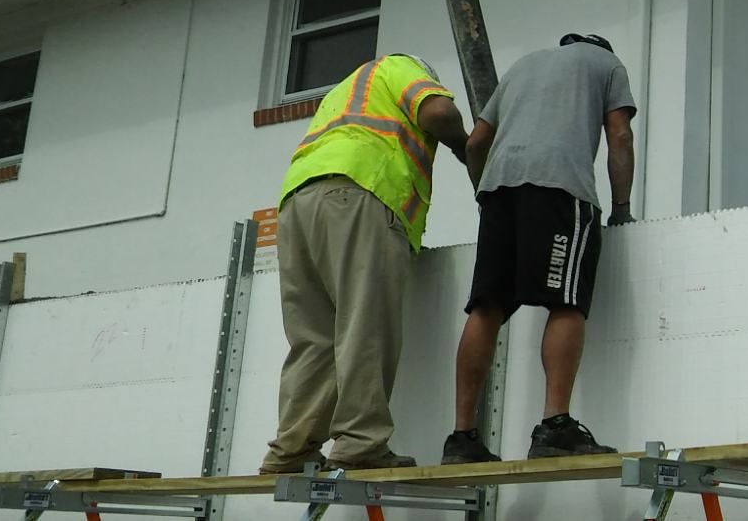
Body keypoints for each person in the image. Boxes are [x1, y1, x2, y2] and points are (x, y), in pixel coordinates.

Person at [259, 53, 468, 474]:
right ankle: (360, 442)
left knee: (313, 338)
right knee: (365, 323)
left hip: (298, 203)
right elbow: (439, 111)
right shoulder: (398, 66)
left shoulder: (343, 94)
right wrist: (468, 147)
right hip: (361, 193)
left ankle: (292, 450)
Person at [440, 33, 636, 463]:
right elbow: (619, 136)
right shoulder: (608, 65)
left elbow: (475, 143)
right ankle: (555, 426)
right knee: (566, 301)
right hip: (558, 188)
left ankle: (461, 438)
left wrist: (484, 194)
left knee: (486, 307)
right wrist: (620, 209)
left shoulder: (522, 65)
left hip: (498, 189)